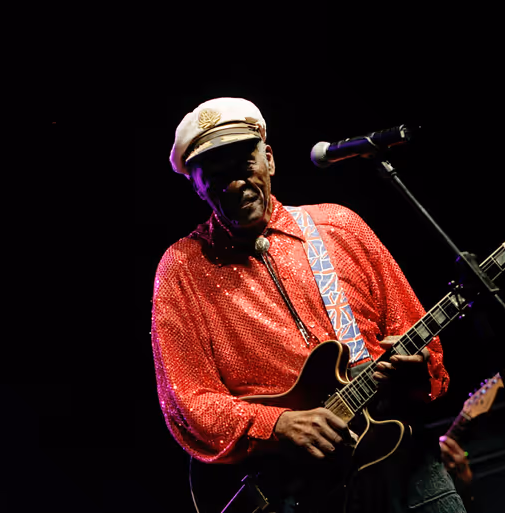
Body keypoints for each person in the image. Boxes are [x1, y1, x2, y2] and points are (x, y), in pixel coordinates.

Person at [150, 97, 466, 512]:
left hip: (407, 467)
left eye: (244, 165)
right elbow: (189, 402)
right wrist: (278, 424)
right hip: (296, 493)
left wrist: (418, 369)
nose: (235, 185)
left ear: (269, 160)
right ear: (195, 185)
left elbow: (424, 347)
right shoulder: (182, 268)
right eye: (216, 175)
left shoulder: (339, 226)